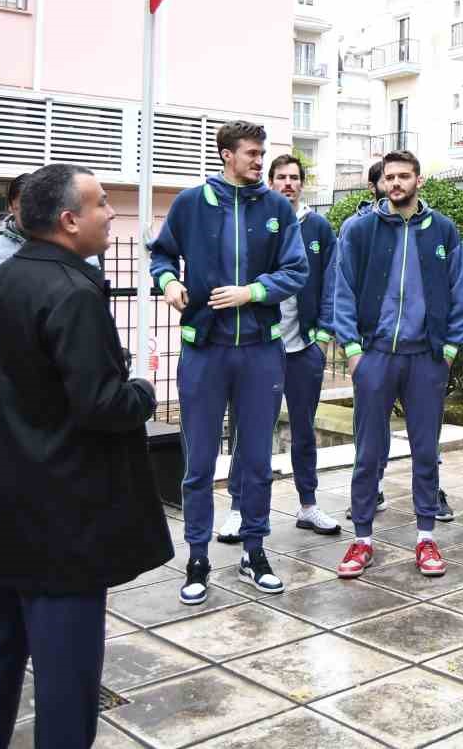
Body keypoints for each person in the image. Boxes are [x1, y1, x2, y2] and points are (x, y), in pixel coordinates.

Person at [0, 163, 171, 748]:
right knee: (67, 678)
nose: (111, 214)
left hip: (0, 506)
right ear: (68, 219)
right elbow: (101, 404)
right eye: (102, 203)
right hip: (62, 518)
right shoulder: (74, 290)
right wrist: (142, 392)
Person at [149, 121, 309, 604]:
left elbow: (296, 270)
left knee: (257, 460)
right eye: (252, 154)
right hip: (205, 351)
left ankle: (254, 551)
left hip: (261, 349)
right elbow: (160, 256)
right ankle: (197, 557)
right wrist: (169, 284)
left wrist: (252, 292)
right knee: (198, 461)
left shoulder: (278, 208)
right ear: (226, 155)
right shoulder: (191, 203)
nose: (260, 162)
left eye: (262, 154)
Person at [331, 149, 463, 579]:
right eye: (389, 177)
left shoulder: (442, 230)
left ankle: (426, 536)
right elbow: (342, 292)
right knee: (368, 451)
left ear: (418, 180)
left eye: (403, 176)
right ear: (381, 183)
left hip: (426, 358)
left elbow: (459, 292)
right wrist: (353, 353)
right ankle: (362, 540)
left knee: (426, 450)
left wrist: (448, 351)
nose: (395, 183)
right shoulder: (360, 230)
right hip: (375, 357)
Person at [218, 155, 340, 542]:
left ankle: (308, 505)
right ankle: (239, 508)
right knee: (249, 430)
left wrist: (321, 337)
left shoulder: (318, 226)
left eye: (294, 178)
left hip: (303, 346)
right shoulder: (256, 222)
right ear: (269, 182)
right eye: (281, 177)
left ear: (302, 184)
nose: (288, 183)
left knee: (304, 429)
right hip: (259, 344)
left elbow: (332, 282)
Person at [0, 173, 98, 324]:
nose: (30, 214)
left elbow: (93, 306)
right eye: (21, 208)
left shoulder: (80, 247)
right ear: (10, 207)